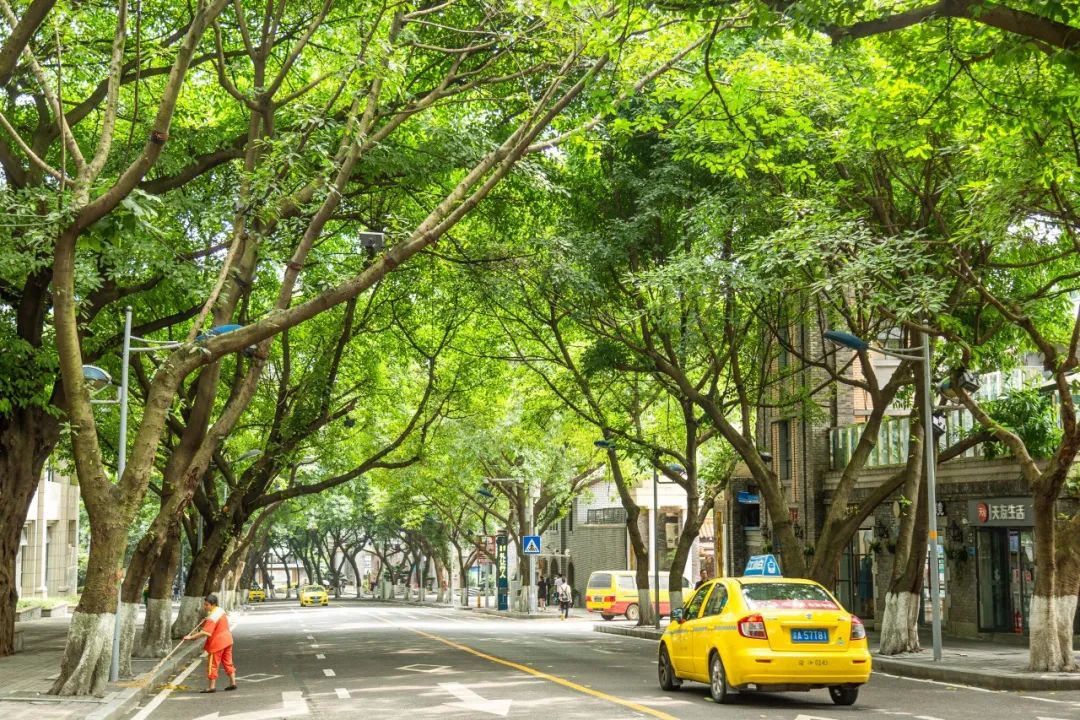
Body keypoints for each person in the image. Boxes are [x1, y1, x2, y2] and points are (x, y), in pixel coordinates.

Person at [184, 593, 237, 693]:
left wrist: (190, 637)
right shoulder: (220, 611)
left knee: (212, 665)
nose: (205, 607)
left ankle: (211, 687)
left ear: (213, 604)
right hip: (228, 640)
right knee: (228, 662)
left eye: (207, 605)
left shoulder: (212, 617)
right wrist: (206, 620)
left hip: (217, 643)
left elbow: (205, 632)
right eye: (205, 604)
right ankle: (233, 683)